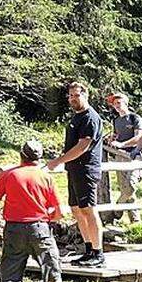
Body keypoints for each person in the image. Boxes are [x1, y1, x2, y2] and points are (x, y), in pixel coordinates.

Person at [0, 140, 67, 282]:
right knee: (55, 277)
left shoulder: (9, 175)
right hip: (40, 230)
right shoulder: (46, 177)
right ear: (40, 157)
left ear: (21, 155)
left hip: (14, 230)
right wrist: (45, 218)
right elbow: (60, 213)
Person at [46, 82, 104, 266]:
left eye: (76, 95)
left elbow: (82, 146)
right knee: (76, 209)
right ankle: (88, 249)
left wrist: (58, 161)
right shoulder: (75, 118)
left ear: (85, 95)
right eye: (70, 95)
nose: (72, 99)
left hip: (86, 169)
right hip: (73, 169)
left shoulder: (90, 118)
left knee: (88, 209)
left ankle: (98, 253)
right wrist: (64, 161)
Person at [105, 92, 142, 223]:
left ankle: (117, 209)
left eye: (119, 103)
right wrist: (112, 139)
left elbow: (139, 137)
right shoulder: (116, 120)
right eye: (114, 104)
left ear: (126, 103)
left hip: (133, 156)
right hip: (119, 157)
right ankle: (135, 220)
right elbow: (116, 135)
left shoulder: (135, 118)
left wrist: (122, 144)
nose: (116, 106)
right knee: (125, 189)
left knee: (130, 186)